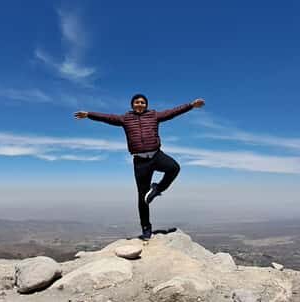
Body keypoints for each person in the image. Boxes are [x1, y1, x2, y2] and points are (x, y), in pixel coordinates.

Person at [75, 94, 205, 240]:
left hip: (156, 156)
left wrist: (191, 105)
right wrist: (89, 115)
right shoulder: (125, 119)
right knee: (142, 198)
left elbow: (172, 112)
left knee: (174, 168)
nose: (140, 104)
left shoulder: (154, 115)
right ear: (132, 105)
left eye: (143, 102)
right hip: (140, 162)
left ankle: (157, 189)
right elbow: (107, 117)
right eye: (137, 102)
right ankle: (146, 229)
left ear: (146, 105)